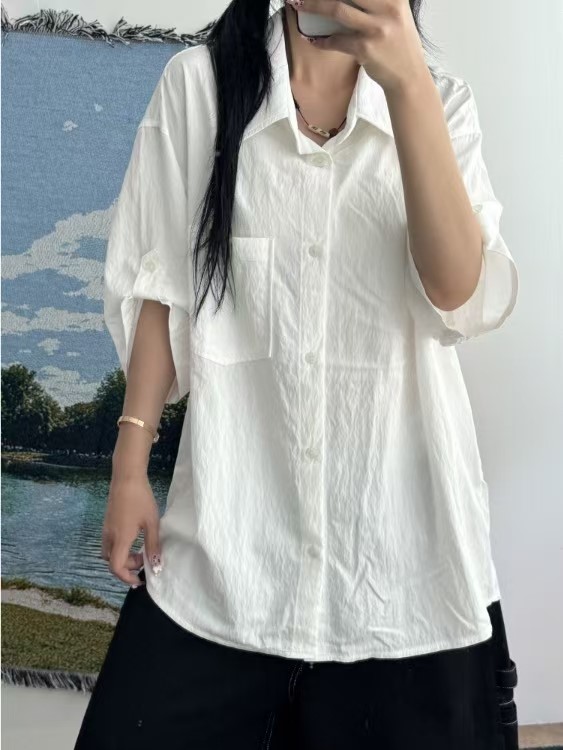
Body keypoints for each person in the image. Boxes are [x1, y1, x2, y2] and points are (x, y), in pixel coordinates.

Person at [75, 0, 520, 748]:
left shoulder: (440, 100)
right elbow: (161, 284)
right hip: (229, 550)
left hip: (403, 570)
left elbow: (456, 292)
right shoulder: (198, 86)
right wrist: (128, 467)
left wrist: (407, 84)